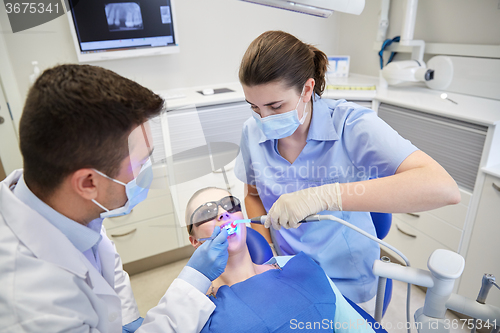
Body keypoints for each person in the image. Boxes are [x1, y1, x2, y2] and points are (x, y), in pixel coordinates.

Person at [234, 30, 461, 312]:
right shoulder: (251, 131)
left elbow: (443, 187)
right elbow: (253, 196)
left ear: (306, 89)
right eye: (254, 107)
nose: (263, 119)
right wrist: (268, 256)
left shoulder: (350, 125)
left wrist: (325, 196)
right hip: (289, 270)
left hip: (348, 278)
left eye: (275, 106)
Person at [0, 64, 228, 332]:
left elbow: (104, 268)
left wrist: (128, 316)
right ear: (88, 183)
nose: (147, 173)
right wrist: (194, 279)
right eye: (140, 163)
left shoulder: (62, 202)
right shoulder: (30, 302)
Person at [185, 187, 376, 333]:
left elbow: (355, 328)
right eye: (207, 212)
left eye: (229, 205)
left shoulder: (298, 267)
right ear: (195, 241)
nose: (223, 213)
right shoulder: (197, 308)